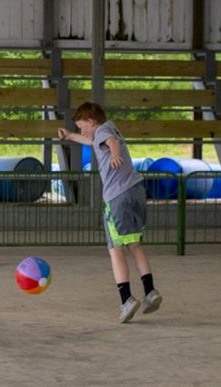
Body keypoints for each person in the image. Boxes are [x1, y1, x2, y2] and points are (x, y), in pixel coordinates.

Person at [57, 102, 163, 324]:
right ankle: (150, 291)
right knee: (134, 245)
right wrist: (69, 136)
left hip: (117, 197)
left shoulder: (104, 131)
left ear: (91, 121)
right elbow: (92, 140)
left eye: (82, 127)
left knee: (115, 249)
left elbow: (110, 142)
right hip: (136, 191)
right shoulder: (111, 126)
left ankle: (126, 300)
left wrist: (114, 154)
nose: (82, 131)